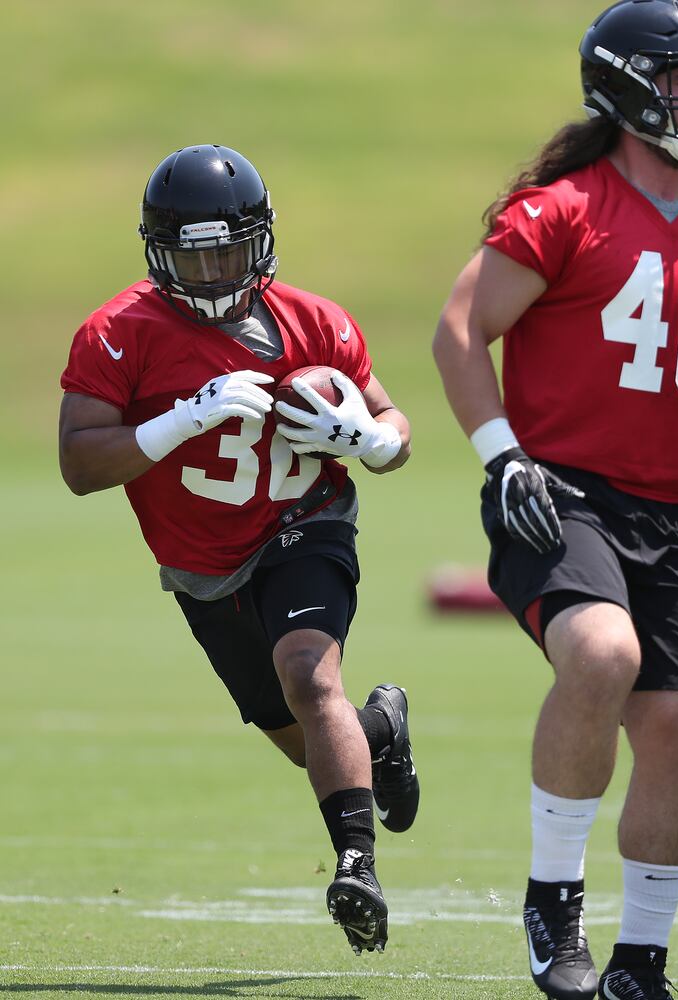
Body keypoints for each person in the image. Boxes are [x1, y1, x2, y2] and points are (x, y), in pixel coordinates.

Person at [432, 2, 678, 997]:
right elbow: (460, 330)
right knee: (602, 652)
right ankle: (554, 899)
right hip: (559, 492)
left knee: (677, 725)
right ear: (627, 89)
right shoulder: (561, 209)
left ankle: (641, 962)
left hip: (670, 512)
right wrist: (504, 460)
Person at [59, 143, 420, 957]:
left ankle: (355, 866)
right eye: (197, 254)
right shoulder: (119, 333)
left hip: (305, 522)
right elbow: (80, 464)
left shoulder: (316, 321)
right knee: (300, 733)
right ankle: (382, 732)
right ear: (160, 255)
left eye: (231, 250)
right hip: (204, 565)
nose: (218, 271)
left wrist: (364, 437)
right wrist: (181, 418)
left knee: (307, 675)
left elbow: (397, 436)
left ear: (261, 242)